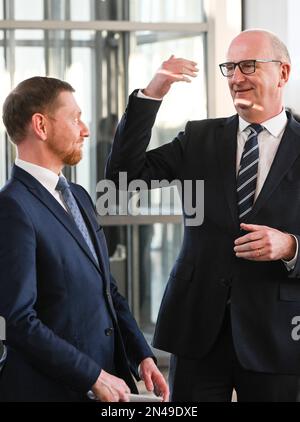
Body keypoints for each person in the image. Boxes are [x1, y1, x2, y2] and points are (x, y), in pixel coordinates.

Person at [105, 29, 300, 402]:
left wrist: (291, 246)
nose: (236, 77)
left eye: (248, 66)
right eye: (230, 67)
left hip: (277, 336)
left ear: (283, 73)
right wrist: (153, 93)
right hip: (197, 331)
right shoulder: (199, 139)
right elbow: (122, 180)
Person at [0, 76, 169, 402]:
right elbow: (19, 320)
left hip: (103, 382)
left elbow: (108, 289)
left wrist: (141, 353)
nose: (86, 130)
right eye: (75, 118)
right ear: (41, 125)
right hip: (49, 390)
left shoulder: (77, 196)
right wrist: (90, 375)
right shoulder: (11, 207)